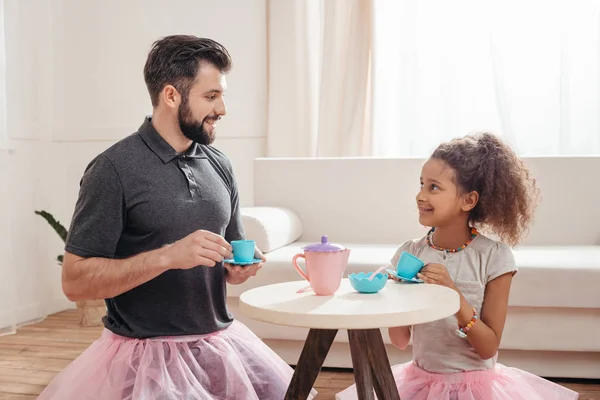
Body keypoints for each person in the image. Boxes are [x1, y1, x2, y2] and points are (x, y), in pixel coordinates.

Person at [38, 35, 315, 400]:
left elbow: (230, 256)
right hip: (142, 359)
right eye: (211, 96)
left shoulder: (220, 165)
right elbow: (75, 282)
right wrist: (167, 256)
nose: (223, 109)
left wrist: (237, 268)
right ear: (171, 96)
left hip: (220, 344)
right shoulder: (112, 170)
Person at [337, 133, 578, 400]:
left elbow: (488, 348)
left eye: (434, 187)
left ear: (468, 200)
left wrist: (453, 295)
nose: (420, 195)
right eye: (421, 185)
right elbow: (400, 340)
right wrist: (399, 295)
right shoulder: (410, 251)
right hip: (420, 382)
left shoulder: (494, 257)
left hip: (475, 388)